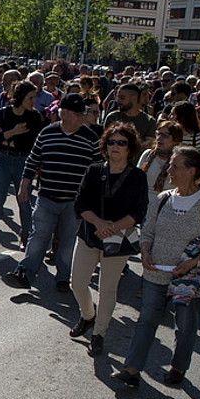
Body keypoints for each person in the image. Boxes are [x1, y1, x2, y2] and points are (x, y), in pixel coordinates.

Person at [115, 146, 200, 387]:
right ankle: (132, 369)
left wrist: (193, 262)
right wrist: (145, 252)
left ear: (192, 171)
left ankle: (178, 368)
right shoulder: (163, 198)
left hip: (189, 276)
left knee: (185, 326)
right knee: (146, 320)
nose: (169, 170)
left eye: (175, 166)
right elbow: (147, 231)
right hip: (155, 272)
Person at [7, 93, 101, 291]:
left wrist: (93, 200)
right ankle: (25, 273)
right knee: (39, 237)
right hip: (47, 196)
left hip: (75, 202)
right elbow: (33, 160)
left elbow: (98, 170)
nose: (83, 117)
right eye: (79, 114)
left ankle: (63, 278)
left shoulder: (91, 138)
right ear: (65, 114)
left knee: (67, 243)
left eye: (82, 114)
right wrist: (24, 185)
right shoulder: (48, 132)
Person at [69, 123, 148, 357]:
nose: (115, 146)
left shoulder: (136, 177)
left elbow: (138, 212)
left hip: (119, 238)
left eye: (121, 143)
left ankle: (99, 333)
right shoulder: (94, 170)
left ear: (130, 148)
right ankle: (88, 315)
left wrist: (113, 227)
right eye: (112, 142)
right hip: (90, 234)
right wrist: (99, 224)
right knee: (78, 283)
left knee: (108, 289)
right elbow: (80, 203)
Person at [0, 80, 43, 252]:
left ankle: (25, 238)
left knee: (24, 201)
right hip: (4, 159)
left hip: (25, 162)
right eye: (30, 97)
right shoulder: (3, 113)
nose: (33, 102)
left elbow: (33, 143)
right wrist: (13, 132)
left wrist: (6, 136)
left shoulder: (35, 117)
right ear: (21, 97)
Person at [138, 121, 182, 195]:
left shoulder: (179, 160)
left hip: (165, 202)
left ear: (175, 140)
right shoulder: (148, 154)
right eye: (158, 134)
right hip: (142, 200)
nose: (159, 138)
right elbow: (136, 179)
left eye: (165, 135)